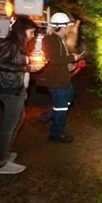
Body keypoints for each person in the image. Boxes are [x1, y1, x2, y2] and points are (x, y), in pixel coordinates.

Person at [0, 17, 43, 174]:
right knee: (9, 125)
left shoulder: (19, 44)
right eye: (31, 31)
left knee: (17, 121)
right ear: (22, 30)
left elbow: (16, 65)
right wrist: (26, 67)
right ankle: (1, 163)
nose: (33, 35)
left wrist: (29, 68)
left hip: (17, 88)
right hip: (10, 89)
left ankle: (5, 153)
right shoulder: (10, 44)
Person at [36, 12, 80, 143]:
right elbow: (54, 59)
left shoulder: (59, 39)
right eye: (67, 26)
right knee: (61, 107)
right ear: (61, 27)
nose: (69, 29)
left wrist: (69, 65)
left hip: (63, 78)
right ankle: (56, 133)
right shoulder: (50, 39)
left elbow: (60, 59)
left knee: (67, 101)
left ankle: (51, 116)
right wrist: (73, 57)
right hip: (56, 81)